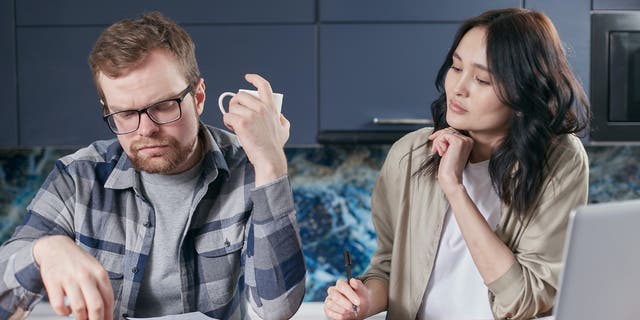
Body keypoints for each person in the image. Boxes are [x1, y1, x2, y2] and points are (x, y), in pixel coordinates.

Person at [0, 12, 305, 320]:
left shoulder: (249, 165)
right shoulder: (79, 177)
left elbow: (277, 309)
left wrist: (270, 163)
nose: (146, 129)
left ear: (198, 97)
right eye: (125, 114)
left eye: (163, 106)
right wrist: (45, 251)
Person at [324, 8, 590, 320]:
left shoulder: (558, 160)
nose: (458, 88)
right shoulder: (411, 153)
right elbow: (388, 266)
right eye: (456, 67)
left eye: (481, 79)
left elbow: (525, 299)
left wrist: (454, 187)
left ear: (524, 89)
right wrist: (365, 299)